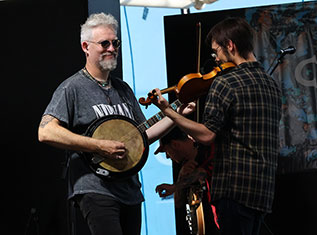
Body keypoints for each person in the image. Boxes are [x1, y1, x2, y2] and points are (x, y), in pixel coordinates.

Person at [38, 12, 193, 235]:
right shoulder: (72, 88)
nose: (112, 48)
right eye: (105, 43)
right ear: (86, 46)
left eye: (115, 42)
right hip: (95, 190)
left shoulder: (123, 89)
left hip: (130, 191)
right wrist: (99, 146)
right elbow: (46, 132)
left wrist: (176, 113)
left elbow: (143, 137)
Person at [150, 17, 282, 235]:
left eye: (216, 52)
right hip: (262, 190)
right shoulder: (271, 85)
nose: (217, 60)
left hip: (233, 189)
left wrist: (169, 112)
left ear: (230, 45)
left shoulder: (226, 82)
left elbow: (207, 135)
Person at [154, 127, 220, 235]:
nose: (167, 156)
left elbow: (203, 173)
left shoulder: (207, 149)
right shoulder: (185, 167)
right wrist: (180, 179)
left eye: (167, 151)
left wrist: (175, 187)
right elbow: (179, 204)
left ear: (175, 145)